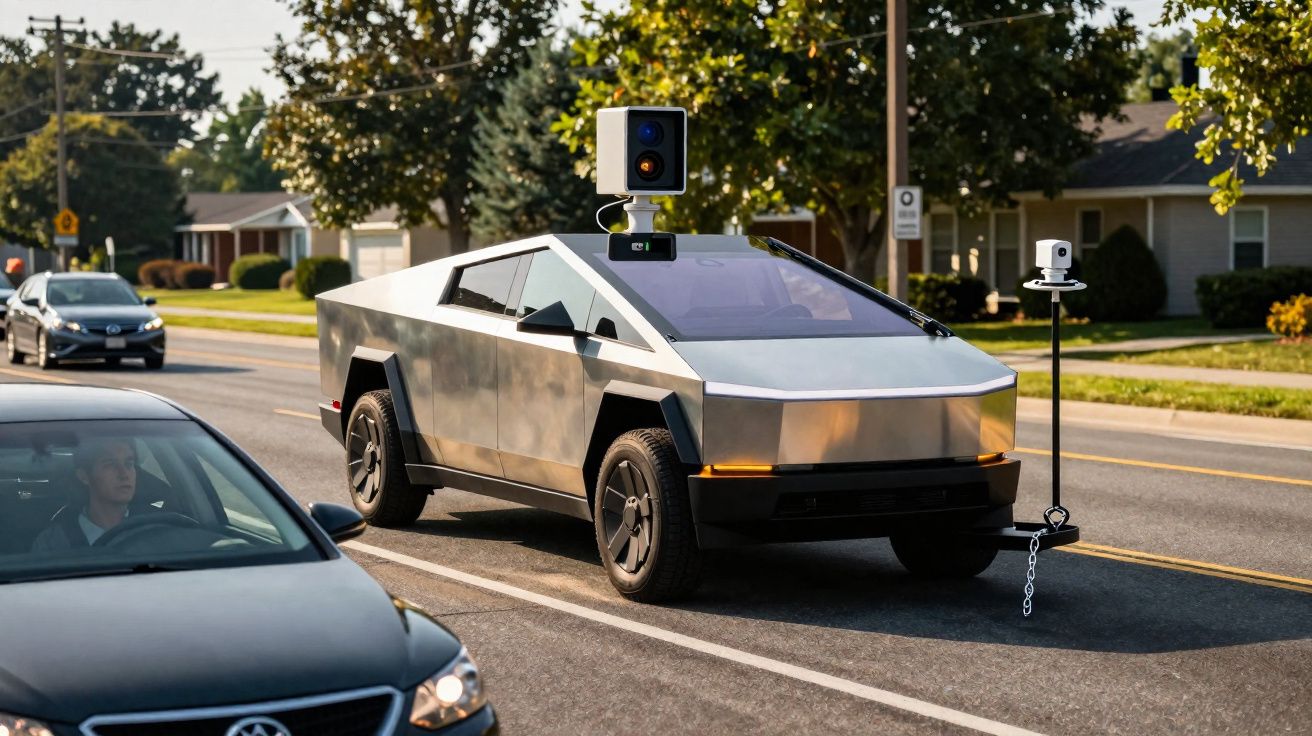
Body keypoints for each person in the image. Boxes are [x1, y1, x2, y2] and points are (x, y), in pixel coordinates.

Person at [31, 438, 138, 551]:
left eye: (129, 464)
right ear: (84, 476)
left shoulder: (154, 528)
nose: (124, 474)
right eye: (110, 465)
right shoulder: (53, 542)